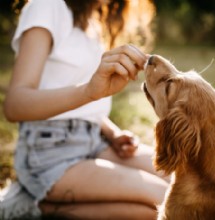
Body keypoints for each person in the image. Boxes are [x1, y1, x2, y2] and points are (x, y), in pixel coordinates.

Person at [0, 0, 168, 219]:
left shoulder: (93, 19)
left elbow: (79, 106)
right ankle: (31, 203)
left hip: (95, 141)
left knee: (183, 180)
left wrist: (112, 133)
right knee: (165, 200)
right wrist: (89, 91)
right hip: (49, 152)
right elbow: (15, 105)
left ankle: (38, 205)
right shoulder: (47, 6)